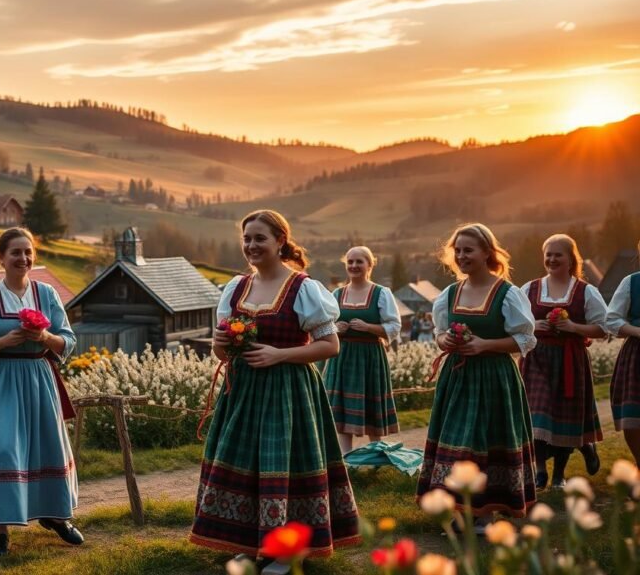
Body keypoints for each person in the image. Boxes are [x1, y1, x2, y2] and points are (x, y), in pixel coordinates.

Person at [189, 210, 360, 562]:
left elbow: (330, 346)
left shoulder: (304, 288)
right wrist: (220, 340)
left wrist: (278, 354)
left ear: (280, 241)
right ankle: (252, 545)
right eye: (247, 238)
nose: (251, 245)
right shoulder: (236, 287)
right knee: (247, 466)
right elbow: (221, 351)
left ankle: (286, 553)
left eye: (259, 238)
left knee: (284, 467)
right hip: (242, 393)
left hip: (288, 392)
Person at [0, 227, 81, 557]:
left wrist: (44, 339)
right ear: (1, 257)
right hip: (0, 380)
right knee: (2, 449)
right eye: (15, 252)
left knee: (46, 447)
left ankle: (55, 516)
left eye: (28, 252)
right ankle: (0, 531)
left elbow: (67, 341)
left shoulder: (47, 294)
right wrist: (3, 342)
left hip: (40, 377)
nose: (23, 258)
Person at [416, 223, 537, 526]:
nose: (461, 256)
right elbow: (439, 333)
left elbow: (526, 339)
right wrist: (445, 340)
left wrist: (485, 345)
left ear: (486, 253)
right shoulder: (449, 294)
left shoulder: (507, 293)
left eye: (468, 250)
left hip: (495, 378)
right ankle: (460, 510)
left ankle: (485, 513)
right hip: (458, 379)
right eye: (457, 251)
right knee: (458, 442)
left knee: (488, 441)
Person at [519, 234, 606, 489]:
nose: (552, 259)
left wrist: (573, 326)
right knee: (535, 416)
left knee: (563, 419)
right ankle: (540, 470)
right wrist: (533, 325)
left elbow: (602, 328)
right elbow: (515, 323)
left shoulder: (585, 291)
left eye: (558, 254)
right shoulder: (529, 289)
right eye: (548, 254)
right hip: (536, 359)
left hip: (571, 361)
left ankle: (559, 474)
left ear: (571, 259)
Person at [323, 246, 402, 453]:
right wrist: (335, 329)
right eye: (350, 262)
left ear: (370, 265)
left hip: (370, 356)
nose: (354, 266)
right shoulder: (337, 294)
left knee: (371, 407)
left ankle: (376, 456)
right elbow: (324, 325)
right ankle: (346, 458)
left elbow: (394, 326)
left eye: (359, 262)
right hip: (342, 356)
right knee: (340, 411)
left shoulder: (381, 293)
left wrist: (369, 328)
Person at [608, 238, 640, 462]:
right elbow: (611, 320)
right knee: (633, 417)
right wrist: (638, 331)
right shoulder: (631, 282)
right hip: (637, 355)